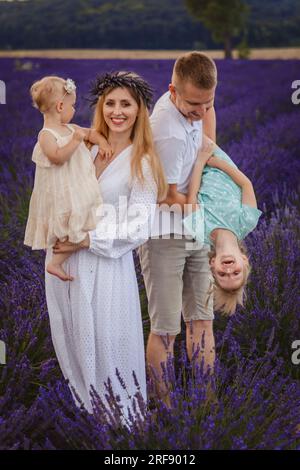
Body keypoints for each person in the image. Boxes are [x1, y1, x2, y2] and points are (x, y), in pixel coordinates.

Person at [46, 71, 167, 417]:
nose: (117, 111)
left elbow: (139, 225)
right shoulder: (83, 146)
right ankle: (86, 421)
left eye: (126, 104)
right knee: (73, 341)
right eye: (110, 103)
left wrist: (86, 238)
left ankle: (123, 426)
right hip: (66, 261)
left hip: (105, 263)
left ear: (139, 110)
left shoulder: (141, 160)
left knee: (109, 344)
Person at [139, 51, 217, 403]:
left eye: (208, 102)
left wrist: (205, 151)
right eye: (193, 105)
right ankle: (165, 409)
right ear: (172, 91)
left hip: (194, 229)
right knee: (166, 329)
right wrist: (201, 194)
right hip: (164, 236)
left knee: (202, 320)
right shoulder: (165, 132)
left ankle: (206, 404)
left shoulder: (198, 105)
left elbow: (206, 139)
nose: (200, 112)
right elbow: (166, 198)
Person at [24, 76, 112, 281]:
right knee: (70, 224)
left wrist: (103, 143)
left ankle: (58, 261)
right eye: (72, 105)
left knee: (82, 221)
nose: (74, 109)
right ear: (60, 106)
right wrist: (75, 140)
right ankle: (55, 263)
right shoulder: (46, 135)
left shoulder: (72, 128)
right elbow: (57, 157)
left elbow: (92, 133)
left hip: (78, 188)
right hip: (61, 192)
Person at [183, 136, 262, 315]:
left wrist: (202, 162)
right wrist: (215, 162)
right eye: (236, 273)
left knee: (179, 127)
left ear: (212, 264)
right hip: (219, 161)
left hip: (193, 168)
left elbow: (192, 195)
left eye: (222, 274)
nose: (228, 270)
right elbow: (245, 184)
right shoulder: (247, 221)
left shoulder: (198, 231)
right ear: (244, 262)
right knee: (198, 121)